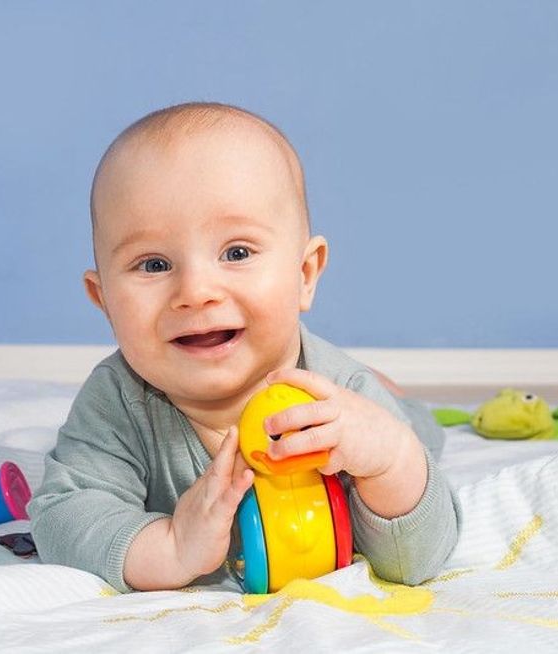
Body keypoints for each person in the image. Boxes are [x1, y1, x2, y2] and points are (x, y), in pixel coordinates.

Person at [27, 102, 458, 593]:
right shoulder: (119, 399)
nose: (195, 291)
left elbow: (420, 557)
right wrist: (168, 545)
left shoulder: (339, 395)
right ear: (103, 299)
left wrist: (391, 462)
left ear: (304, 274)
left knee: (410, 432)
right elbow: (63, 514)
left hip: (374, 406)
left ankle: (399, 402)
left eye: (236, 253)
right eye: (152, 265)